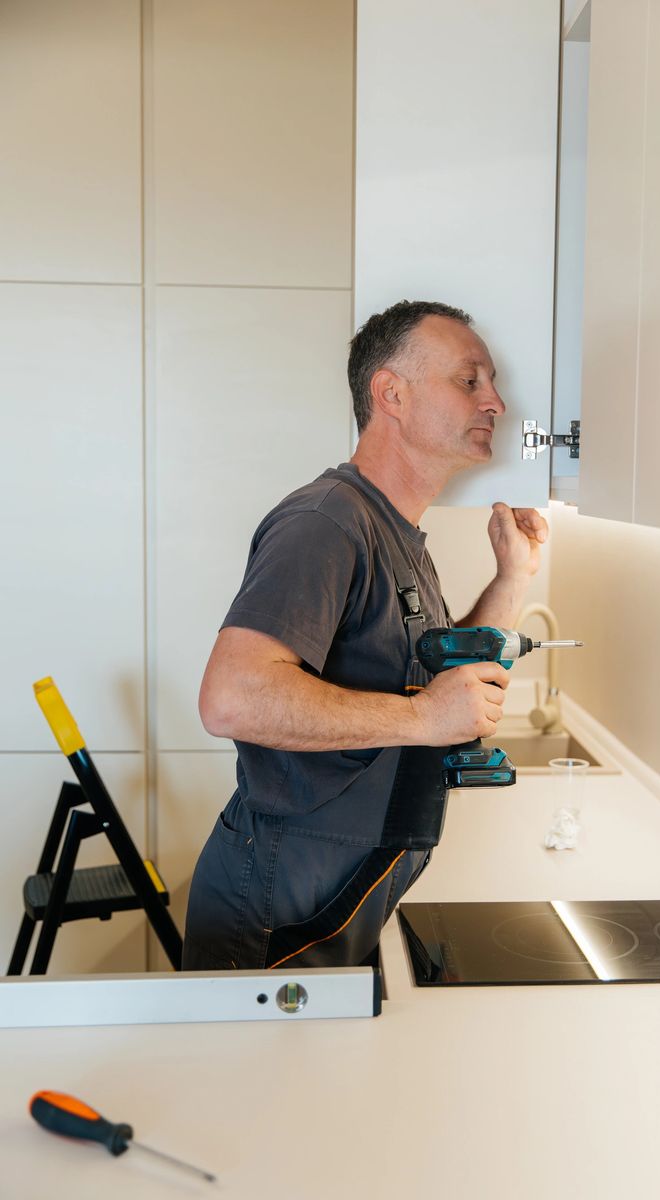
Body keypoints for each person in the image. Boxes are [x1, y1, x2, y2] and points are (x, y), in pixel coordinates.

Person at [183, 299, 549, 971]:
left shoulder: (392, 529)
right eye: (470, 380)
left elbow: (444, 685)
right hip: (282, 902)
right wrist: (421, 715)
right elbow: (231, 697)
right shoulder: (327, 523)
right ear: (392, 394)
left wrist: (512, 577)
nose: (496, 400)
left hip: (345, 884)